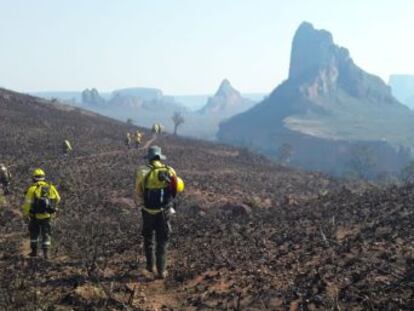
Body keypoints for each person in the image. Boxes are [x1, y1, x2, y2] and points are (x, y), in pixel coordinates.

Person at [134, 146, 184, 279]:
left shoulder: (142, 171)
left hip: (148, 211)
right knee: (162, 240)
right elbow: (175, 189)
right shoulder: (170, 170)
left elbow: (138, 192)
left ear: (149, 158)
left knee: (148, 238)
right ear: (160, 157)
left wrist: (141, 205)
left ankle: (150, 267)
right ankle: (161, 271)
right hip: (164, 212)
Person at [23, 168, 61, 259]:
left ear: (34, 178)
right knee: (46, 234)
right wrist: (52, 207)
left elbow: (27, 204)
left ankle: (34, 252)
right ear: (44, 177)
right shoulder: (50, 187)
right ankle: (46, 254)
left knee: (34, 234)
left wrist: (25, 215)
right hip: (47, 216)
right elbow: (58, 198)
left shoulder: (31, 189)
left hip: (34, 216)